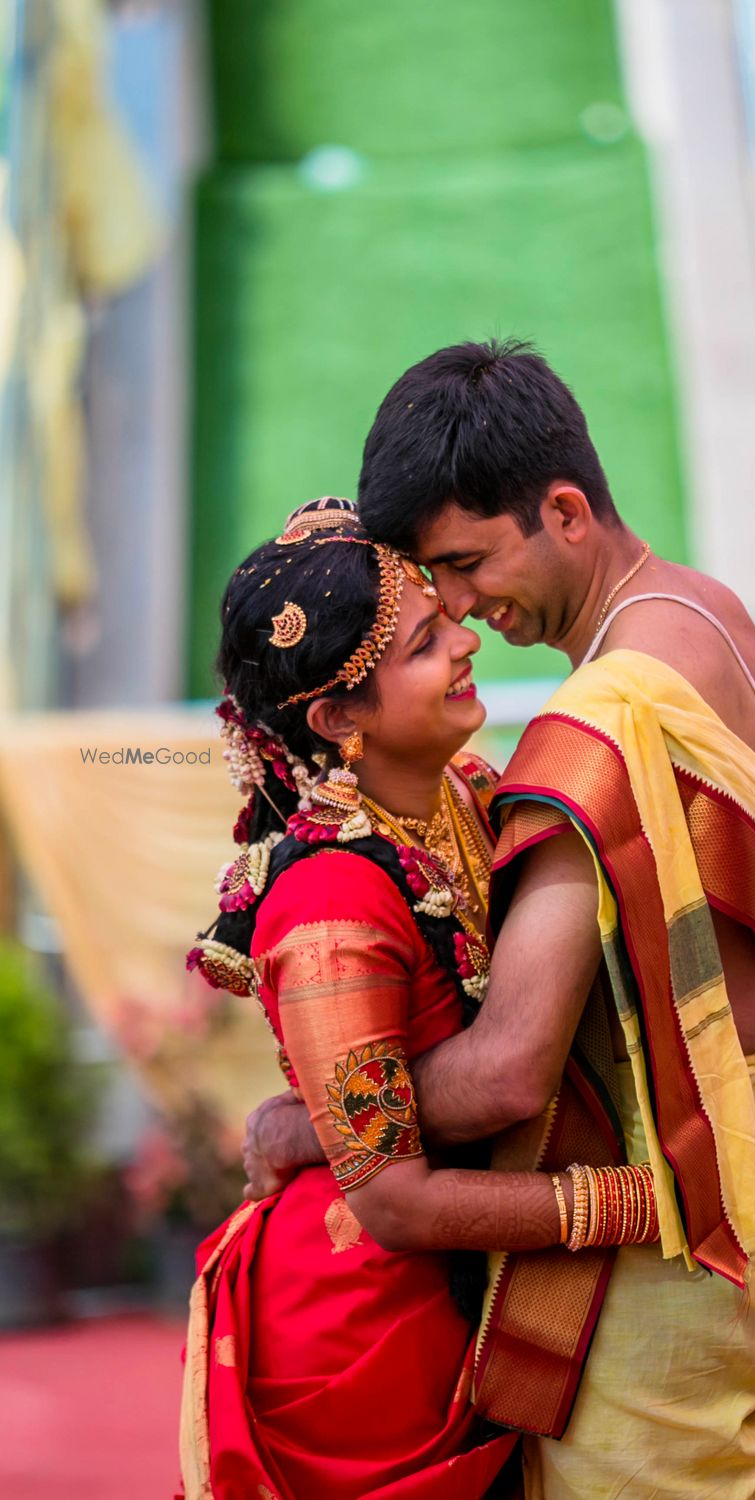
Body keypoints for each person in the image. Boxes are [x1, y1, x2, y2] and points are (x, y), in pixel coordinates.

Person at [246, 342, 755, 1499]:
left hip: (658, 1262)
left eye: (466, 567)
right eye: (435, 591)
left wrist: (321, 1120)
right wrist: (752, 1159)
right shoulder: (714, 618)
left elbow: (513, 1069)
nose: (466, 612)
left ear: (565, 509)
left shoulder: (600, 721)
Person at [180, 497, 689, 1500]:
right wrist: (634, 1200)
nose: (463, 641)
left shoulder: (456, 789)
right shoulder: (329, 904)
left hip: (470, 1262)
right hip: (364, 1322)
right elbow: (395, 1199)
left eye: (441, 615)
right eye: (421, 644)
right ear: (336, 719)